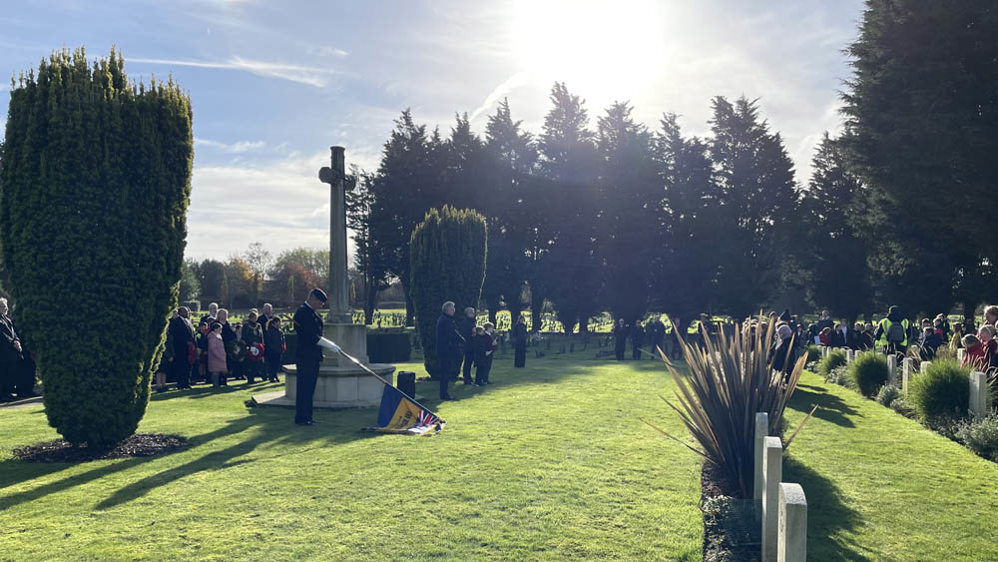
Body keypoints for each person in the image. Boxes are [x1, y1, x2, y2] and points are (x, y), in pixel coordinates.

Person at [293, 288, 327, 425]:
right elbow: (309, 336)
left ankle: (308, 416)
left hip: (313, 356)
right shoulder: (302, 313)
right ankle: (301, 417)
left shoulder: (314, 314)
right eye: (319, 302)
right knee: (304, 388)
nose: (321, 305)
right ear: (312, 297)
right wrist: (327, 344)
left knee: (310, 388)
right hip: (305, 356)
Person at [436, 301, 463, 400]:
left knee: (446, 372)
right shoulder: (445, 320)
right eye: (452, 309)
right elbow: (452, 334)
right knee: (445, 373)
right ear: (447, 310)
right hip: (445, 351)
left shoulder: (447, 319)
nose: (454, 311)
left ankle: (444, 393)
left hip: (446, 350)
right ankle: (444, 394)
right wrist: (462, 341)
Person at [168, 306, 196, 390]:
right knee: (181, 365)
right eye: (185, 311)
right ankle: (180, 383)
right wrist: (185, 341)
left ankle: (186, 382)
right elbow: (176, 334)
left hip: (189, 347)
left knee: (188, 365)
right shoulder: (176, 321)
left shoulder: (188, 321)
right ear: (180, 313)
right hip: (181, 347)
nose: (187, 313)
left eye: (187, 311)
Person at [0, 298, 23, 401]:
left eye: (6, 306)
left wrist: (17, 341)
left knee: (11, 373)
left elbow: (13, 333)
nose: (5, 308)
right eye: (2, 306)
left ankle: (8, 393)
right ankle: (4, 394)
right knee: (4, 374)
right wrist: (13, 342)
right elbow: (2, 335)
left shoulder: (7, 319)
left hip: (11, 353)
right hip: (3, 352)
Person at [155, 309, 178, 392]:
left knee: (165, 371)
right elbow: (162, 346)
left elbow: (171, 345)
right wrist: (168, 356)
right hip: (162, 355)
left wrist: (172, 355)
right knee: (159, 371)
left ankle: (164, 384)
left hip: (169, 355)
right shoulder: (161, 335)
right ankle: (158, 385)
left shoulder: (169, 334)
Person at [241, 311, 265, 384]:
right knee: (250, 363)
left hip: (258, 346)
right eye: (253, 317)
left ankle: (262, 376)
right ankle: (250, 378)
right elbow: (244, 336)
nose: (255, 319)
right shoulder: (246, 326)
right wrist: (251, 343)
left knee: (259, 362)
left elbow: (261, 336)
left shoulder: (258, 325)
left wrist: (262, 345)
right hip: (250, 347)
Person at [264, 316, 286, 383]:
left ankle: (275, 375)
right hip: (272, 351)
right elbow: (269, 341)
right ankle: (271, 377)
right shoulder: (270, 331)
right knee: (272, 364)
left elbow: (283, 340)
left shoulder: (280, 331)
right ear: (275, 323)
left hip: (279, 351)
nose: (280, 324)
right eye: (279, 322)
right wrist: (274, 348)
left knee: (277, 365)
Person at [207, 321, 228, 388]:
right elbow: (212, 348)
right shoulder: (212, 337)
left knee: (221, 371)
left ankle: (221, 383)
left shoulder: (218, 335)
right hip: (215, 358)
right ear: (215, 329)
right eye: (220, 328)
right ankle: (215, 385)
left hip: (220, 357)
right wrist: (219, 356)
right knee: (215, 372)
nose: (221, 330)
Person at [459, 307, 477, 385]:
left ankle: (468, 377)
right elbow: (464, 333)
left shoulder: (472, 322)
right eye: (471, 312)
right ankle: (466, 378)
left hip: (472, 344)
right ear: (467, 313)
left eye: (473, 312)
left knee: (470, 362)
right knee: (467, 362)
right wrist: (472, 334)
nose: (473, 314)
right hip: (468, 345)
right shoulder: (465, 322)